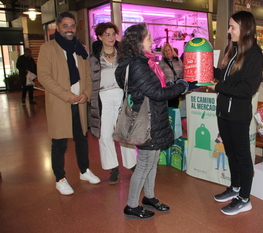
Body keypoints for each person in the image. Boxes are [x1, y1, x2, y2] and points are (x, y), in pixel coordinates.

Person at [115, 22, 197, 220]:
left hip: (154, 118)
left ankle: (149, 197)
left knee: (152, 162)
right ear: (138, 42)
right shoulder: (137, 65)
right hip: (147, 121)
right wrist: (181, 88)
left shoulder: (144, 62)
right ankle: (132, 205)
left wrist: (179, 84)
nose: (152, 40)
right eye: (149, 37)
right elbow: (156, 93)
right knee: (144, 163)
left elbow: (155, 86)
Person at [37, 12, 100, 196]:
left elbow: (87, 76)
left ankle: (84, 171)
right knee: (59, 143)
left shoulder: (80, 49)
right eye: (65, 25)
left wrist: (86, 93)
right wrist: (67, 95)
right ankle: (60, 178)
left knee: (82, 139)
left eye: (72, 26)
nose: (69, 29)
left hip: (79, 103)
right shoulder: (48, 48)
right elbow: (44, 77)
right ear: (58, 27)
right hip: (60, 103)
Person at [208, 11, 263, 216]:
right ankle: (235, 187)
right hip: (223, 113)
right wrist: (204, 66)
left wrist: (219, 87)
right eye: (229, 27)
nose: (229, 31)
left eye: (232, 27)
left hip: (238, 115)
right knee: (230, 153)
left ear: (244, 29)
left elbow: (247, 89)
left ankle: (245, 198)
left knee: (242, 156)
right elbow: (224, 76)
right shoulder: (233, 51)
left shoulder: (255, 54)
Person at [89, 22, 137, 185]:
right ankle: (113, 167)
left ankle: (131, 164)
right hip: (102, 97)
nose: (110, 37)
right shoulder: (94, 57)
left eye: (113, 34)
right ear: (100, 36)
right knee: (105, 134)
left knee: (125, 131)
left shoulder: (123, 54)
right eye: (107, 34)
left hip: (121, 94)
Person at [159, 43, 184, 108]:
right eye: (165, 50)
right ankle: (169, 117)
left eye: (168, 50)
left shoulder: (178, 60)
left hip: (177, 86)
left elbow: (183, 71)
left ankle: (174, 117)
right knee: (169, 105)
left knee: (176, 104)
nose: (167, 52)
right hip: (167, 87)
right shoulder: (162, 62)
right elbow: (159, 75)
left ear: (172, 50)